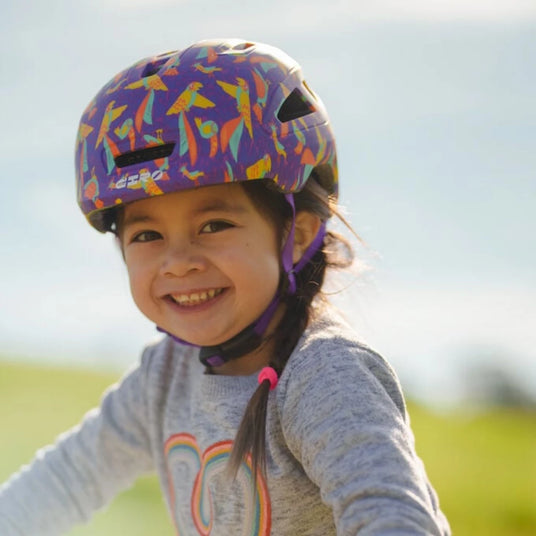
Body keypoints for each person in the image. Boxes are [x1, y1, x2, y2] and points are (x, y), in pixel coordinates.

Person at [0, 38, 450, 535]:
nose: (179, 262)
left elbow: (394, 517)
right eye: (147, 235)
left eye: (214, 225)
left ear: (296, 234)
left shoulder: (323, 374)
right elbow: (64, 481)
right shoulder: (165, 374)